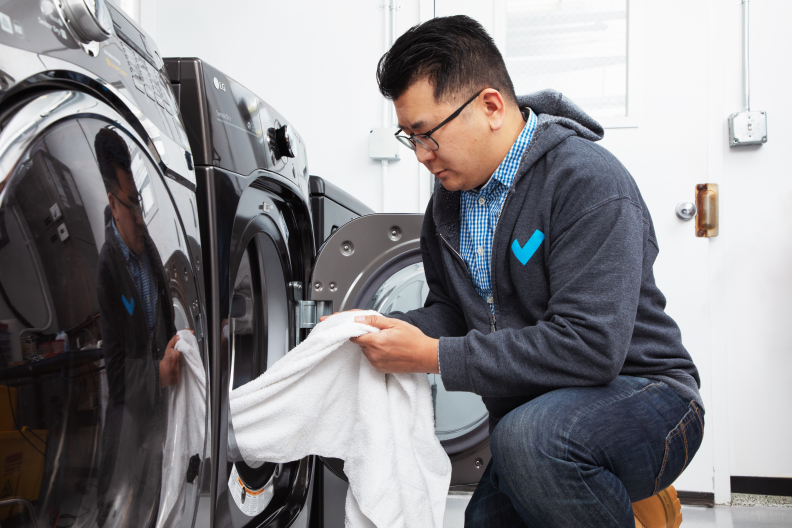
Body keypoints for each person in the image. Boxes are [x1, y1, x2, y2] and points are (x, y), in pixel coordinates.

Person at [347, 15, 704, 527]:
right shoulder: (448, 206)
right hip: (535, 421)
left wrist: (434, 356)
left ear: (490, 106)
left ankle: (628, 490)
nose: (423, 157)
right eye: (411, 140)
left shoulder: (587, 181)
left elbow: (591, 346)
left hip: (650, 398)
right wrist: (385, 330)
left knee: (531, 443)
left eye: (428, 135)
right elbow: (452, 310)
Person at [94, 126, 181, 527]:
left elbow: (161, 325)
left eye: (141, 202)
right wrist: (157, 373)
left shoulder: (147, 253)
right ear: (113, 205)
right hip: (128, 421)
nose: (140, 216)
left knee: (155, 507)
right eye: (131, 205)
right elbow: (114, 370)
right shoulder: (107, 269)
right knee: (124, 512)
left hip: (158, 416)